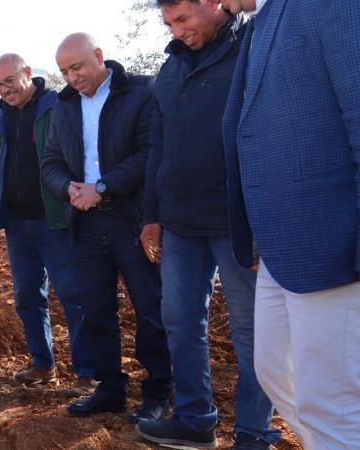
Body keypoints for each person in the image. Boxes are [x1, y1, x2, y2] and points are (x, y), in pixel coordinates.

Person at [134, 2, 278, 449]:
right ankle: (196, 420)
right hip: (179, 222)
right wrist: (152, 216)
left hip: (237, 222)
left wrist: (264, 217)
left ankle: (254, 430)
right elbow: (159, 145)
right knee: (179, 321)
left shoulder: (253, 48)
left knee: (252, 330)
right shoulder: (171, 68)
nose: (178, 32)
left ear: (216, 4)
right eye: (170, 24)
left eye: (184, 20)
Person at [220, 0, 360, 447]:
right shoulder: (261, 21)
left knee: (332, 402)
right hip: (278, 249)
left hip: (331, 247)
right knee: (276, 374)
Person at [41, 34, 172, 423]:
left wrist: (102, 187)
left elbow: (150, 153)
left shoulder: (143, 91)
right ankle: (110, 388)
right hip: (85, 222)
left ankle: (158, 390)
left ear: (99, 56)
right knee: (96, 309)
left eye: (77, 67)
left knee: (150, 307)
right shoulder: (63, 107)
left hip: (132, 219)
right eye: (64, 71)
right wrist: (69, 189)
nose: (71, 77)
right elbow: (50, 162)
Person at [0, 53, 95, 397]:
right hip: (17, 224)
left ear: (27, 73)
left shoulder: (57, 107)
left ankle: (88, 372)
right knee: (26, 296)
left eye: (10, 81)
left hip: (56, 221)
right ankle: (43, 363)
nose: (5, 89)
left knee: (73, 294)